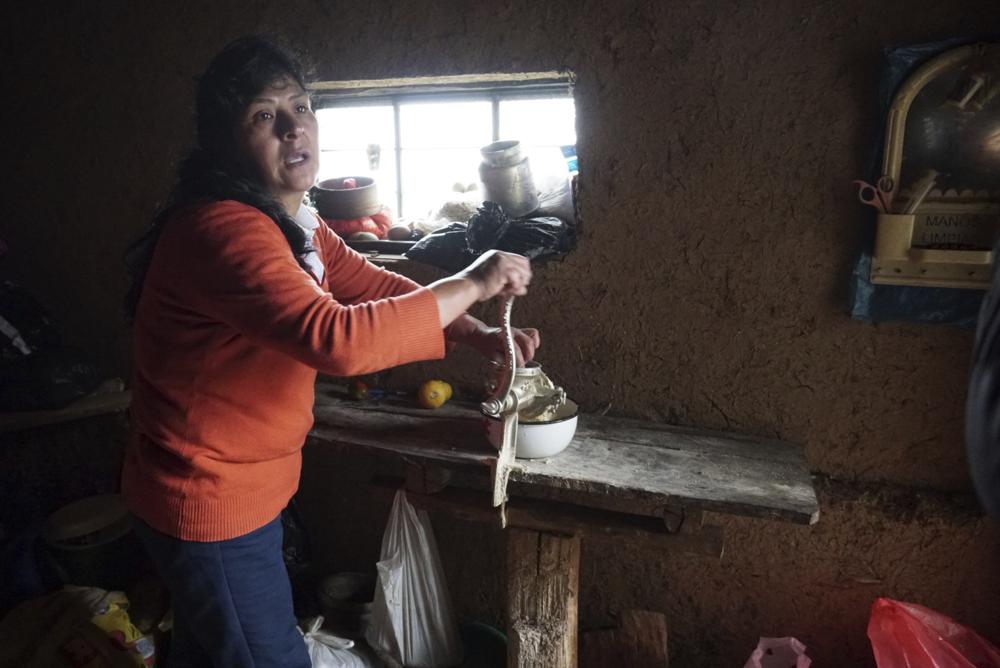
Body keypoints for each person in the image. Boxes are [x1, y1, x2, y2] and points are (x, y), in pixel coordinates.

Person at [122, 35, 540, 667]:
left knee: (212, 652)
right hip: (207, 500)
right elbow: (339, 339)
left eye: (301, 105)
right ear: (226, 143)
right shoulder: (223, 229)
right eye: (264, 116)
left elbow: (367, 283)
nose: (294, 128)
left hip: (234, 486)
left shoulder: (292, 216)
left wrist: (476, 334)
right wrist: (474, 281)